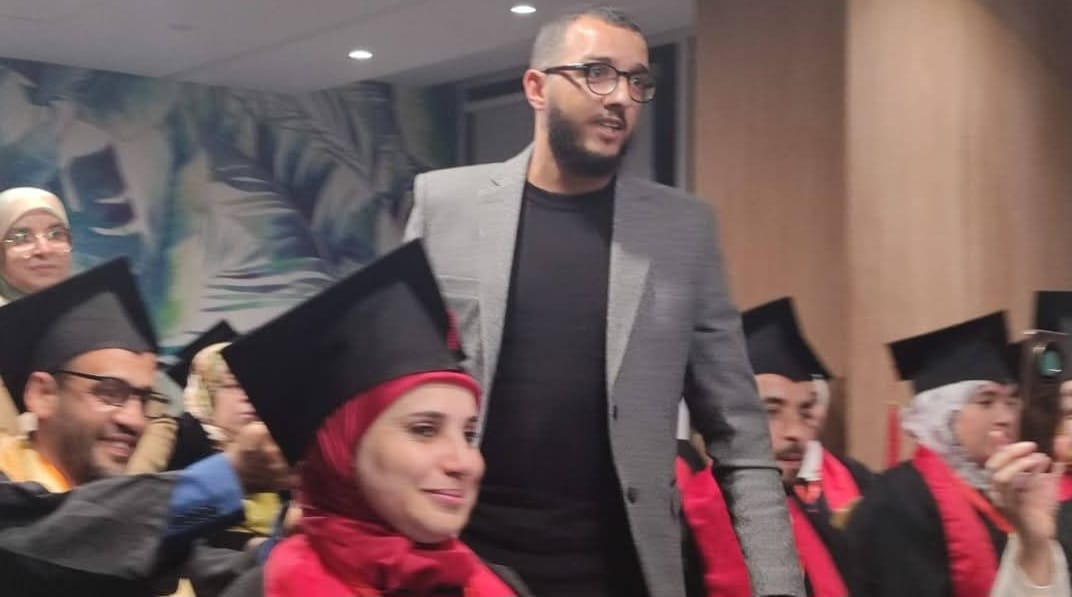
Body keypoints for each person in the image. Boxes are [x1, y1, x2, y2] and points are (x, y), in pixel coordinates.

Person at [403, 6, 800, 597]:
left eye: (637, 80)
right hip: (463, 562)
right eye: (597, 73)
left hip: (619, 570)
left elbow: (740, 438)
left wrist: (780, 586)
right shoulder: (445, 205)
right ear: (536, 87)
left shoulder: (681, 230)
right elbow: (390, 392)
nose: (620, 97)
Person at [217, 240, 530, 597]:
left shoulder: (499, 585)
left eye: (469, 434)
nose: (465, 463)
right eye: (424, 430)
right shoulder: (266, 591)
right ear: (341, 454)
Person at [0, 258, 290, 594]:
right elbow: (53, 541)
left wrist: (290, 542)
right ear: (44, 394)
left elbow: (215, 574)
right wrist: (233, 474)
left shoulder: (130, 528)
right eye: (110, 393)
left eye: (144, 399)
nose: (135, 420)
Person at [847, 311, 1065, 597]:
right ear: (942, 416)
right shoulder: (897, 499)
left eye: (1011, 402)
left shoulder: (1010, 490)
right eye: (986, 402)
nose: (1006, 418)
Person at [740, 297, 856, 596]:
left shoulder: (807, 515)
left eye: (805, 412)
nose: (796, 433)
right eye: (771, 411)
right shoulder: (690, 519)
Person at [0, 186, 74, 437]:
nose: (44, 249)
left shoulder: (95, 313)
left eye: (56, 234)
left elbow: (157, 410)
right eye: (21, 238)